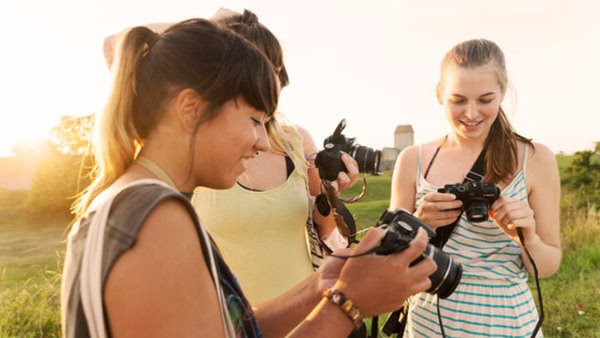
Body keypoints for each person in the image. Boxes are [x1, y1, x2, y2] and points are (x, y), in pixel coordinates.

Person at [61, 18, 436, 337]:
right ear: (190, 109)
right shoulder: (158, 217)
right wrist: (350, 304)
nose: (261, 141)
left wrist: (320, 285)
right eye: (254, 120)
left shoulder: (127, 198)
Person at [104, 8, 357, 307]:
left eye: (273, 69)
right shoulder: (196, 151)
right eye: (255, 66)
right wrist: (215, 30)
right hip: (230, 318)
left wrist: (329, 192)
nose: (268, 80)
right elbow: (117, 44)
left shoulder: (296, 140)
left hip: (305, 312)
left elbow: (324, 230)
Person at [390, 39, 561, 337]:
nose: (471, 113)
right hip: (427, 321)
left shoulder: (535, 159)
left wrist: (527, 238)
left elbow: (546, 266)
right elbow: (386, 260)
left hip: (507, 321)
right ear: (440, 95)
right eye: (458, 100)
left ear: (502, 93)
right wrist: (419, 222)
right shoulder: (412, 160)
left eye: (485, 100)